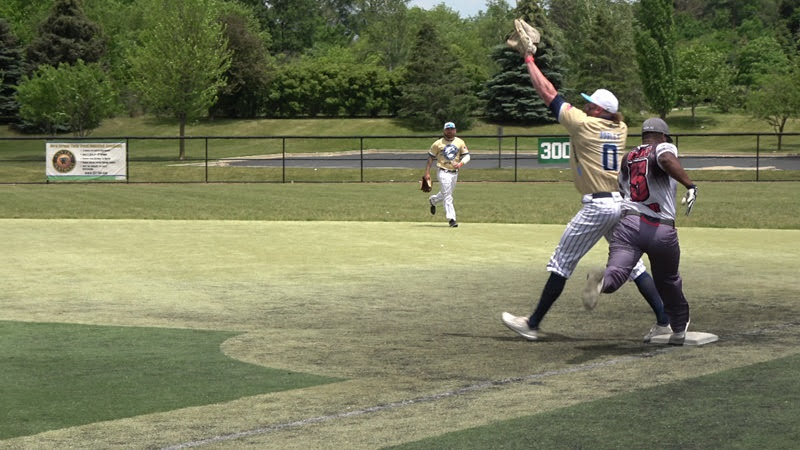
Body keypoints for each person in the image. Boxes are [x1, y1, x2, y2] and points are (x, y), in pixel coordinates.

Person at [501, 48, 669, 341]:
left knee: (561, 262)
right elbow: (598, 114)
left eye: (592, 104)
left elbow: (547, 92)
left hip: (598, 206)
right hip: (620, 204)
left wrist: (529, 59)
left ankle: (532, 324)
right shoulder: (620, 127)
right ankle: (665, 321)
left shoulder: (584, 124)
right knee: (633, 265)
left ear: (600, 111)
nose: (587, 106)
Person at [583, 118, 698, 345]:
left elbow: (621, 190)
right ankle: (678, 330)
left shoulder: (628, 157)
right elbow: (666, 158)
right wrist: (690, 185)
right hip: (660, 228)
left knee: (617, 271)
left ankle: (601, 282)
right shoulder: (663, 147)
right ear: (663, 136)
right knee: (668, 281)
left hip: (629, 225)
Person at [424, 121, 470, 228]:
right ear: (444, 130)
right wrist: (427, 173)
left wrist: (460, 163)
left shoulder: (460, 142)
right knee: (448, 196)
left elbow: (467, 156)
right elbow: (430, 158)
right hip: (443, 171)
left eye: (452, 129)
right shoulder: (438, 143)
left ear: (455, 130)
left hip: (454, 172)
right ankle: (451, 219)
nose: (450, 131)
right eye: (447, 129)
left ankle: (433, 200)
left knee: (445, 194)